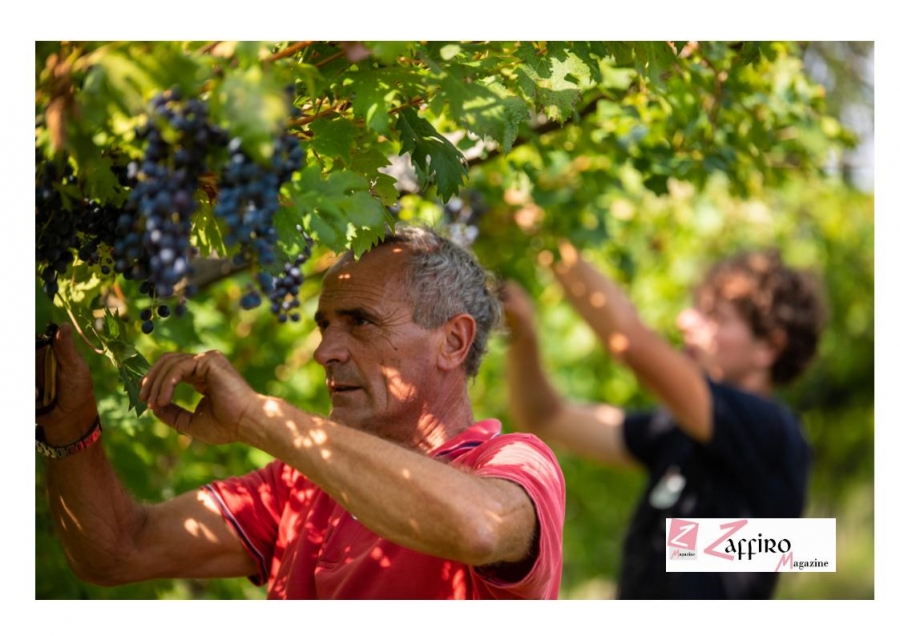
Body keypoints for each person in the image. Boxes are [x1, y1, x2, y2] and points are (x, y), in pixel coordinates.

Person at [35, 225, 566, 600]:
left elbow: (480, 528)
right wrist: (67, 419)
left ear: (452, 341)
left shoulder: (515, 462)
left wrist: (257, 417)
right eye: (324, 326)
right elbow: (118, 551)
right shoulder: (300, 483)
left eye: (360, 322)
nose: (324, 352)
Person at [501, 241, 825, 599]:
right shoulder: (676, 432)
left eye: (715, 316)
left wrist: (546, 242)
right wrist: (523, 333)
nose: (685, 321)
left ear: (769, 347)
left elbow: (629, 343)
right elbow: (546, 416)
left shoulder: (771, 432)